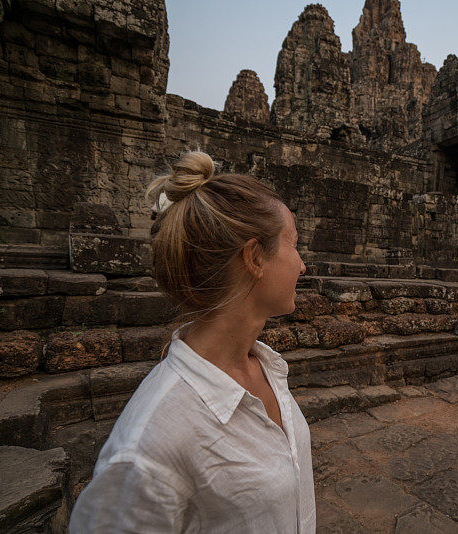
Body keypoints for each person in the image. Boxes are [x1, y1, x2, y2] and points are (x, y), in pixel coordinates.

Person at [69, 151, 315, 532]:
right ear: (254, 257)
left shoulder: (268, 369)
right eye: (293, 243)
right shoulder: (148, 449)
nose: (302, 264)